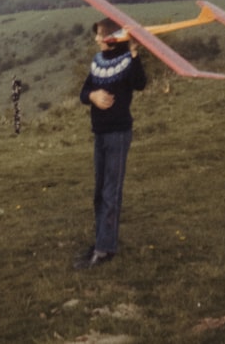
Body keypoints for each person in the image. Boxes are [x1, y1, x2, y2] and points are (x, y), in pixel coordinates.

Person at [74, 18, 147, 269]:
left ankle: (105, 250)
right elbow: (83, 92)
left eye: (101, 35)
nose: (96, 39)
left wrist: (135, 52)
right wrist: (93, 95)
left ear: (114, 38)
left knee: (110, 193)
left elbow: (140, 84)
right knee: (100, 192)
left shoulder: (128, 62)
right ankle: (101, 242)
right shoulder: (98, 62)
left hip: (118, 134)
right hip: (100, 133)